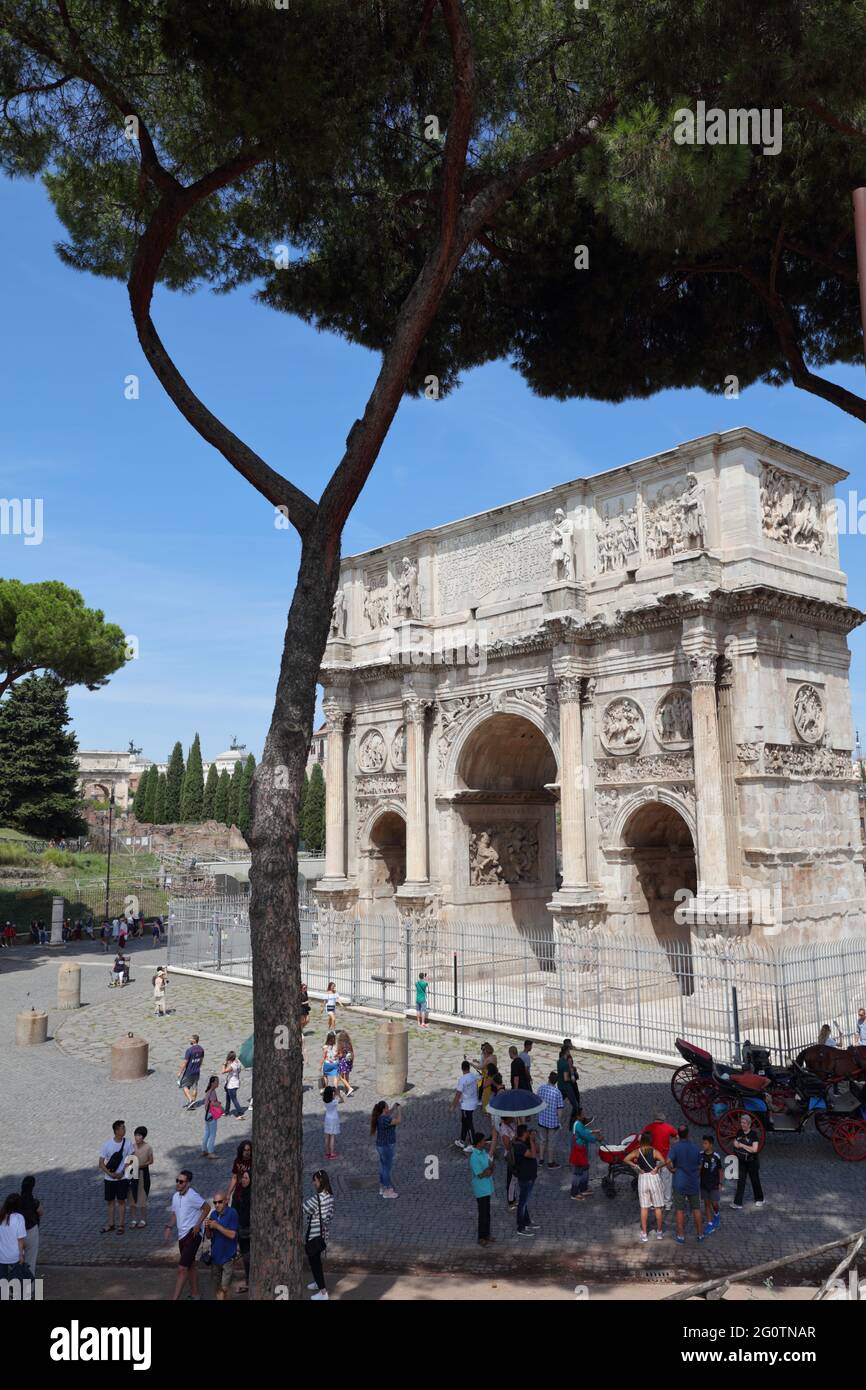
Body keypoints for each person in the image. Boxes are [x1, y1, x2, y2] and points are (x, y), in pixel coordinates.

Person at [164, 1170, 210, 1301]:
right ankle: (196, 1294)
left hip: (193, 1235)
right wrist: (169, 1227)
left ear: (188, 1183)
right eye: (177, 1181)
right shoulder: (175, 1196)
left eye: (181, 1182)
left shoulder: (192, 1196)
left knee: (182, 1268)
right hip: (182, 1236)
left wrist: (197, 1224)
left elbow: (207, 1207)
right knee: (190, 1266)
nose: (178, 1184)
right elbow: (175, 1214)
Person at [624, 1132, 668, 1241]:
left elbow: (625, 1159)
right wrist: (657, 1168)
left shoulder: (637, 1152)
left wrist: (636, 1166)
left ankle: (644, 1234)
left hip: (643, 1178)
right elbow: (664, 1161)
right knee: (658, 1207)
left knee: (644, 1208)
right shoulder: (654, 1152)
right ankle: (659, 1232)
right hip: (653, 1178)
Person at [669, 1124, 705, 1243]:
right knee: (696, 1208)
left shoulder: (675, 1148)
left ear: (678, 1135)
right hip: (693, 1182)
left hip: (679, 1182)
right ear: (689, 1134)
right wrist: (697, 1173)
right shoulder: (695, 1148)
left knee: (679, 1210)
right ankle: (700, 1234)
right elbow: (700, 1165)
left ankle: (680, 1235)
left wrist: (671, 1170)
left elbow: (667, 1161)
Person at [303, 1170, 335, 1301]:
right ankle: (317, 1282)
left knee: (314, 1262)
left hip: (314, 1236)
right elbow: (330, 1216)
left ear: (320, 1181)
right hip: (323, 1235)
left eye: (315, 1180)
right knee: (317, 1261)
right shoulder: (330, 1196)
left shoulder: (317, 1198)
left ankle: (323, 1292)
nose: (313, 1183)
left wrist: (314, 1214)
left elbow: (304, 1208)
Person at [98, 1119, 133, 1234]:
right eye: (122, 1128)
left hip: (122, 1178)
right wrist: (110, 1174)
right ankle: (111, 1224)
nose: (124, 1129)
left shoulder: (128, 1143)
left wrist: (122, 1172)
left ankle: (121, 1225)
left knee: (121, 1201)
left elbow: (130, 1159)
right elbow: (101, 1163)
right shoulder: (107, 1144)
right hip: (109, 1179)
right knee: (110, 1202)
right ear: (116, 1130)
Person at [206, 1190, 239, 1300]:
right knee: (218, 1288)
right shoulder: (213, 1214)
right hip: (216, 1257)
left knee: (224, 1288)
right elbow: (209, 1236)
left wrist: (217, 1226)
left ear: (225, 1201)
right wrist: (207, 1228)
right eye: (214, 1202)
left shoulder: (232, 1213)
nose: (217, 1205)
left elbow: (232, 1235)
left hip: (228, 1257)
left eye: (219, 1202)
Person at [643, 1110, 679, 1211]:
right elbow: (676, 1137)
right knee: (666, 1181)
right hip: (666, 1159)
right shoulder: (668, 1127)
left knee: (653, 1181)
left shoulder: (649, 1127)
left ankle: (655, 1202)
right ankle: (667, 1203)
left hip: (652, 1159)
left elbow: (641, 1139)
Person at [731, 1114, 764, 1209]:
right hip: (742, 1160)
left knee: (755, 1180)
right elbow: (735, 1141)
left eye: (744, 1123)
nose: (742, 1124)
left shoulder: (753, 1134)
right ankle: (738, 1203)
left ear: (749, 1124)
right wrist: (735, 1143)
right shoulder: (739, 1132)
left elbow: (755, 1149)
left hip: (752, 1161)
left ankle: (760, 1199)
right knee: (740, 1181)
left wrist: (742, 1145)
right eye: (741, 1122)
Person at [512, 1124, 539, 1235]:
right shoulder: (519, 1146)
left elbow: (536, 1151)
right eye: (528, 1132)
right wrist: (532, 1141)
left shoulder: (524, 1143)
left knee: (525, 1200)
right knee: (522, 1202)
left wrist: (532, 1140)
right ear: (524, 1133)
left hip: (530, 1176)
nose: (529, 1133)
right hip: (525, 1177)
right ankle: (520, 1227)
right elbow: (532, 1155)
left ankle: (527, 1222)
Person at [469, 1132, 496, 1246]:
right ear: (479, 1142)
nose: (485, 1142)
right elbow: (480, 1174)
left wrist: (489, 1170)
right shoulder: (474, 1157)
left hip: (487, 1187)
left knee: (487, 1213)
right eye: (484, 1140)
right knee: (483, 1213)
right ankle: (481, 1237)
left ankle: (487, 1234)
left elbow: (491, 1166)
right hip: (481, 1189)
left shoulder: (483, 1152)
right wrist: (489, 1170)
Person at [371, 1100, 401, 1198]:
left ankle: (382, 1187)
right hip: (387, 1146)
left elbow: (389, 1113)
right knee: (387, 1169)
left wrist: (393, 1108)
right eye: (387, 1107)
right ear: (384, 1109)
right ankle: (388, 1190)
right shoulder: (385, 1119)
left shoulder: (380, 1117)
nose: (389, 1109)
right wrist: (399, 1111)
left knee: (383, 1167)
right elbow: (398, 1121)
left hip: (381, 1146)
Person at [535, 1071, 565, 1168]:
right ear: (556, 1081)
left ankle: (541, 1160)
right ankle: (550, 1162)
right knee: (551, 1142)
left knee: (542, 1140)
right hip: (552, 1122)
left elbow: (537, 1102)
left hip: (542, 1120)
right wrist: (559, 1122)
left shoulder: (541, 1089)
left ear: (548, 1078)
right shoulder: (558, 1093)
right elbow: (559, 1109)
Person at [569, 1111, 601, 1198]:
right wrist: (596, 1138)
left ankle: (583, 1188)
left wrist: (592, 1131)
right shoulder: (578, 1124)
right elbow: (585, 1135)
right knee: (578, 1171)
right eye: (582, 1115)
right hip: (579, 1151)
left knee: (585, 1168)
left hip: (581, 1150)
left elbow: (584, 1130)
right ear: (578, 1116)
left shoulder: (578, 1123)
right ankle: (574, 1193)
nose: (584, 1116)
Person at [231, 1168, 252, 1292]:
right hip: (240, 1228)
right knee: (245, 1256)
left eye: (246, 1178)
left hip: (249, 1228)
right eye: (243, 1177)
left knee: (248, 1256)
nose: (243, 1180)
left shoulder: (252, 1193)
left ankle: (249, 1281)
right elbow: (233, 1208)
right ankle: (248, 1280)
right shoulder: (238, 1192)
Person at [451, 1059, 479, 1151]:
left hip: (466, 1105)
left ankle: (473, 1144)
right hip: (473, 1102)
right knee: (464, 1122)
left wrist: (453, 1106)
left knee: (469, 1123)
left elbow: (458, 1094)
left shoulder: (462, 1080)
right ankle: (462, 1140)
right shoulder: (473, 1076)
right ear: (469, 1068)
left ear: (462, 1069)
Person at [129, 1126, 154, 1228]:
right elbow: (129, 1160)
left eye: (139, 1135)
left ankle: (143, 1219)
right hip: (133, 1173)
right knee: (132, 1196)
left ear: (143, 1137)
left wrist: (140, 1165)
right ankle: (134, 1219)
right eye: (136, 1135)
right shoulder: (132, 1147)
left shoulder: (148, 1147)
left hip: (143, 1173)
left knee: (142, 1197)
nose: (136, 1137)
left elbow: (151, 1161)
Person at [0, 1194, 29, 1281]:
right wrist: (21, 1255)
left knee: (3, 1281)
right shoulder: (19, 1218)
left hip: (1, 1256)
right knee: (16, 1280)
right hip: (14, 1256)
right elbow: (20, 1240)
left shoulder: (0, 1216)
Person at [18, 1176, 43, 1274]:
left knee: (17, 1259)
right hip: (31, 1231)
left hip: (17, 1233)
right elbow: (41, 1212)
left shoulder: (16, 1201)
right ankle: (28, 1286)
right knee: (31, 1260)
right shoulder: (34, 1202)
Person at [700, 1134, 723, 1233]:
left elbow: (720, 1170)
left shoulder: (716, 1156)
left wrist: (720, 1182)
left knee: (714, 1203)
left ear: (711, 1145)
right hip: (704, 1184)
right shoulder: (700, 1155)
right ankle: (710, 1224)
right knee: (706, 1203)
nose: (703, 1145)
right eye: (703, 1143)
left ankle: (717, 1214)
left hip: (714, 1184)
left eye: (705, 1143)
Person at [557, 1040, 581, 1124]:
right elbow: (566, 1078)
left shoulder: (559, 1061)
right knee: (575, 1105)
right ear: (566, 1051)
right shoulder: (565, 1063)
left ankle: (552, 1112)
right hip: (567, 1087)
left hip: (560, 1085)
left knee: (559, 1101)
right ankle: (572, 1123)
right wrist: (572, 1079)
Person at [178, 1034, 205, 1109]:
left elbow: (185, 1062)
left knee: (184, 1085)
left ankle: (191, 1101)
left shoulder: (189, 1050)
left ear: (194, 1040)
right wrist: (198, 1067)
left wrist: (180, 1072)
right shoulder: (201, 1049)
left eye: (190, 1039)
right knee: (195, 1087)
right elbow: (201, 1060)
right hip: (197, 1072)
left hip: (189, 1072)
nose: (189, 1040)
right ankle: (193, 1103)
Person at [200, 1076, 222, 1157]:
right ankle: (211, 1152)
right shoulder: (212, 1092)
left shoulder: (208, 1091)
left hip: (207, 1115)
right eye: (217, 1081)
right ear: (213, 1083)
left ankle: (204, 1150)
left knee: (207, 1133)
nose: (218, 1083)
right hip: (212, 1115)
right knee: (213, 1134)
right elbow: (212, 1103)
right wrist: (219, 1105)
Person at [222, 1051, 244, 1115]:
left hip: (232, 1084)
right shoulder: (238, 1062)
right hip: (235, 1082)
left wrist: (224, 1064)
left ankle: (240, 1112)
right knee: (228, 1098)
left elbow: (223, 1071)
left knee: (234, 1099)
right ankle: (226, 1111)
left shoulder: (232, 1066)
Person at [335, 1029, 355, 1098]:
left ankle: (349, 1088)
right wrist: (352, 1062)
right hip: (349, 1061)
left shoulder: (340, 1044)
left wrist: (336, 1056)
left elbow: (340, 1054)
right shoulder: (349, 1044)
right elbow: (352, 1053)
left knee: (340, 1076)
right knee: (347, 1076)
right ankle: (346, 1090)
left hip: (343, 1062)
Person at [323, 1085, 340, 1159]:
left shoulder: (325, 1101)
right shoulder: (334, 1102)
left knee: (327, 1137)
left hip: (327, 1119)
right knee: (332, 1137)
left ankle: (327, 1153)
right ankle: (332, 1153)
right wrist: (338, 1094)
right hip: (333, 1119)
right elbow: (342, 1100)